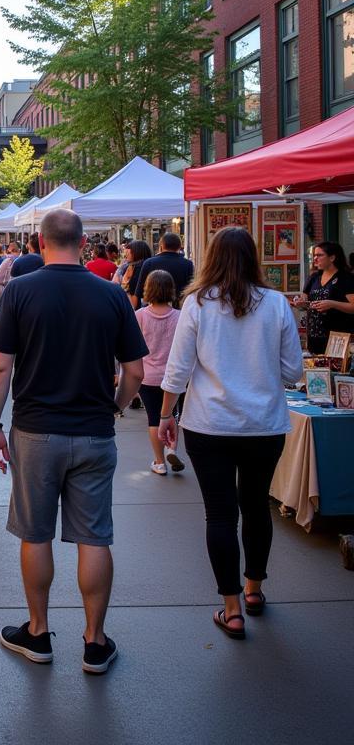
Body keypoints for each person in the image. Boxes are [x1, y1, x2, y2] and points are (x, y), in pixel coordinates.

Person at [0, 208, 147, 675]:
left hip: (35, 431)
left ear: (39, 241)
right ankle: (95, 642)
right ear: (84, 241)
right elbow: (135, 370)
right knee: (93, 537)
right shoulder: (111, 294)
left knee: (36, 534)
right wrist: (115, 407)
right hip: (94, 431)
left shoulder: (19, 291)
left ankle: (37, 633)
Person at [159, 227, 303, 640]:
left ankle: (231, 607)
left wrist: (166, 414)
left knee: (220, 513)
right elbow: (293, 371)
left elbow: (179, 367)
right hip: (264, 425)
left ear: (211, 258)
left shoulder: (197, 304)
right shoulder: (276, 304)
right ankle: (255, 588)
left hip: (210, 424)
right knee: (257, 506)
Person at [135, 270, 184, 475]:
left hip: (149, 376)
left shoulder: (139, 316)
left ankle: (159, 461)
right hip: (174, 376)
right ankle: (172, 448)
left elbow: (133, 348)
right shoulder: (180, 317)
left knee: (154, 417)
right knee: (173, 414)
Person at [296, 241, 354, 354]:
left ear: (332, 258)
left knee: (334, 369)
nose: (315, 259)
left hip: (337, 338)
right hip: (314, 336)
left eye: (319, 255)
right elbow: (305, 301)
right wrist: (300, 304)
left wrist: (332, 304)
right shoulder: (313, 278)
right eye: (314, 256)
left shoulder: (345, 278)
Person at [136, 232, 194, 305]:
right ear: (179, 247)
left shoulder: (149, 263)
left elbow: (139, 292)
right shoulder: (188, 264)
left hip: (154, 308)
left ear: (161, 246)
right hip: (180, 308)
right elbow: (191, 289)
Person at [121, 240, 153, 309]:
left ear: (136, 252)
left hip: (138, 308)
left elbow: (134, 299)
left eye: (129, 251)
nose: (126, 254)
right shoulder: (147, 265)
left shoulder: (137, 268)